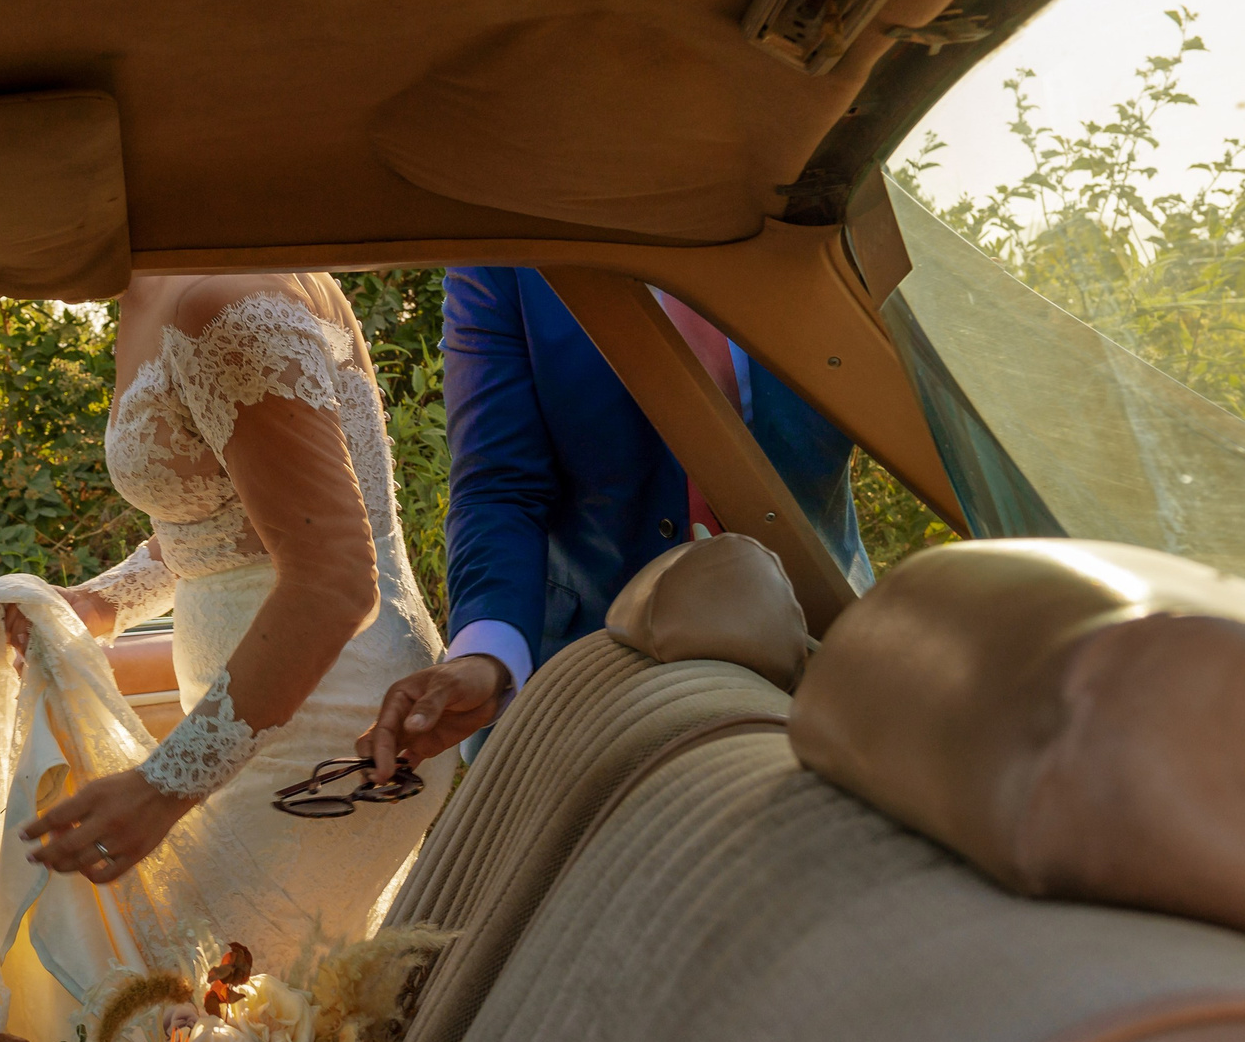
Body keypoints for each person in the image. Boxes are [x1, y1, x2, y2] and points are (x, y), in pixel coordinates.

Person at [0, 272, 454, 970]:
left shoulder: (224, 300)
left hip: (327, 714)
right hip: (265, 708)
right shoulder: (156, 294)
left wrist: (163, 785)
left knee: (209, 1015)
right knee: (239, 1023)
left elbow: (332, 579)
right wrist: (102, 602)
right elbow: (228, 521)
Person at [363, 266, 872, 771]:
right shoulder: (504, 259)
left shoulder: (822, 221)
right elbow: (501, 484)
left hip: (828, 656)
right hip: (597, 689)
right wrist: (486, 652)